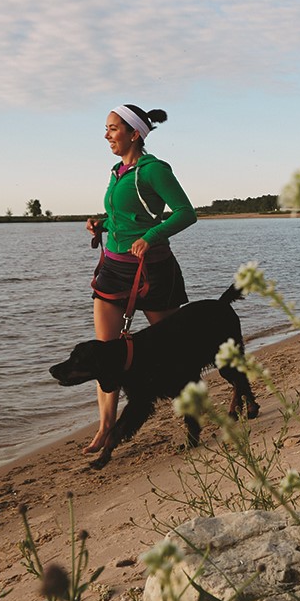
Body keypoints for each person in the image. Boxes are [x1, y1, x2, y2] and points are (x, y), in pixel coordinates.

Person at [82, 104, 196, 456]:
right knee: (106, 354)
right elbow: (127, 214)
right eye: (106, 128)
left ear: (134, 133)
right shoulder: (117, 171)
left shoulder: (154, 170)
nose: (106, 135)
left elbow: (186, 213)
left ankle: (193, 417)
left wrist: (153, 236)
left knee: (176, 350)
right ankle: (105, 429)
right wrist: (103, 223)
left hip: (153, 272)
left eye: (113, 128)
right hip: (114, 270)